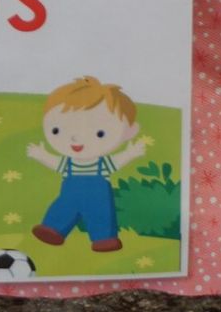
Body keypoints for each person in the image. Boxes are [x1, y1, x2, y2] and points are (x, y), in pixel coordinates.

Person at [25, 76, 145, 252]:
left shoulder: (103, 164)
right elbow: (55, 162)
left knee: (101, 215)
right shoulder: (68, 164)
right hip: (70, 196)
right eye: (57, 130)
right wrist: (41, 154)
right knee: (62, 207)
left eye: (100, 133)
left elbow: (117, 161)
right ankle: (53, 228)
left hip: (98, 197)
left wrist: (131, 153)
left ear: (129, 132)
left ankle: (104, 239)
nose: (76, 139)